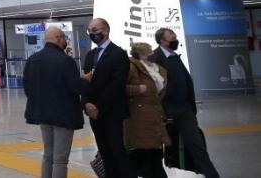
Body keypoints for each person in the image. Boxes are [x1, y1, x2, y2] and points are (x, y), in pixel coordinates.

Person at [151, 28, 219, 178]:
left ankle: (211, 175)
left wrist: (190, 107)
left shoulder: (175, 56)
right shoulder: (154, 58)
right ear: (162, 41)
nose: (176, 40)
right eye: (172, 38)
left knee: (196, 145)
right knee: (156, 150)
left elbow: (185, 81)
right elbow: (154, 88)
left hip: (184, 111)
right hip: (164, 113)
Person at [24, 27, 90, 178]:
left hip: (42, 114)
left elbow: (28, 87)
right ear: (59, 38)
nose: (65, 41)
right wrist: (86, 80)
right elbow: (76, 87)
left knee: (48, 154)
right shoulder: (65, 60)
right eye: (64, 38)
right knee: (60, 159)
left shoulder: (33, 59)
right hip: (63, 116)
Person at [82, 17, 135, 178]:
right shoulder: (90, 55)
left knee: (117, 150)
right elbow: (85, 80)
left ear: (106, 31)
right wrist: (86, 104)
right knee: (104, 152)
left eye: (95, 30)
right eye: (90, 31)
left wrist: (98, 107)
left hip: (111, 112)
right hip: (93, 113)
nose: (92, 33)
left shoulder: (118, 54)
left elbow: (117, 85)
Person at [125, 42, 170, 178]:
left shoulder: (158, 69)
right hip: (139, 118)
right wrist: (137, 89)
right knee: (145, 156)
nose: (153, 53)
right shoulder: (131, 67)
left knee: (154, 155)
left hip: (156, 117)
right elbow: (120, 87)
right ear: (141, 54)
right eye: (149, 51)